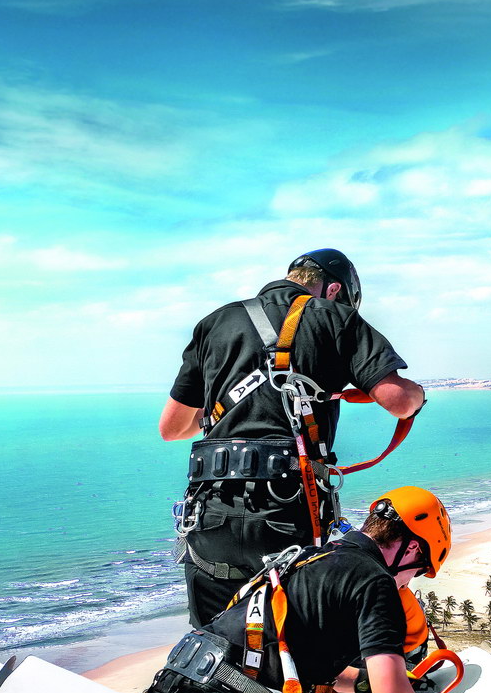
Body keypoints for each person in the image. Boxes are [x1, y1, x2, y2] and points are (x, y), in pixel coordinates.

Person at [139, 486, 491, 693]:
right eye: (419, 569)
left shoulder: (310, 557)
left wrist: (363, 684)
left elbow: (290, 662)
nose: (410, 580)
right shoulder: (374, 582)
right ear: (412, 549)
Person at [160, 249, 425, 626]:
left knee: (213, 642)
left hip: (209, 511)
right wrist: (417, 394)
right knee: (290, 642)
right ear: (333, 289)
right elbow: (398, 401)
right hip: (285, 508)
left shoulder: (214, 322)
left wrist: (229, 410)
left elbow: (173, 429)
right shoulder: (335, 316)